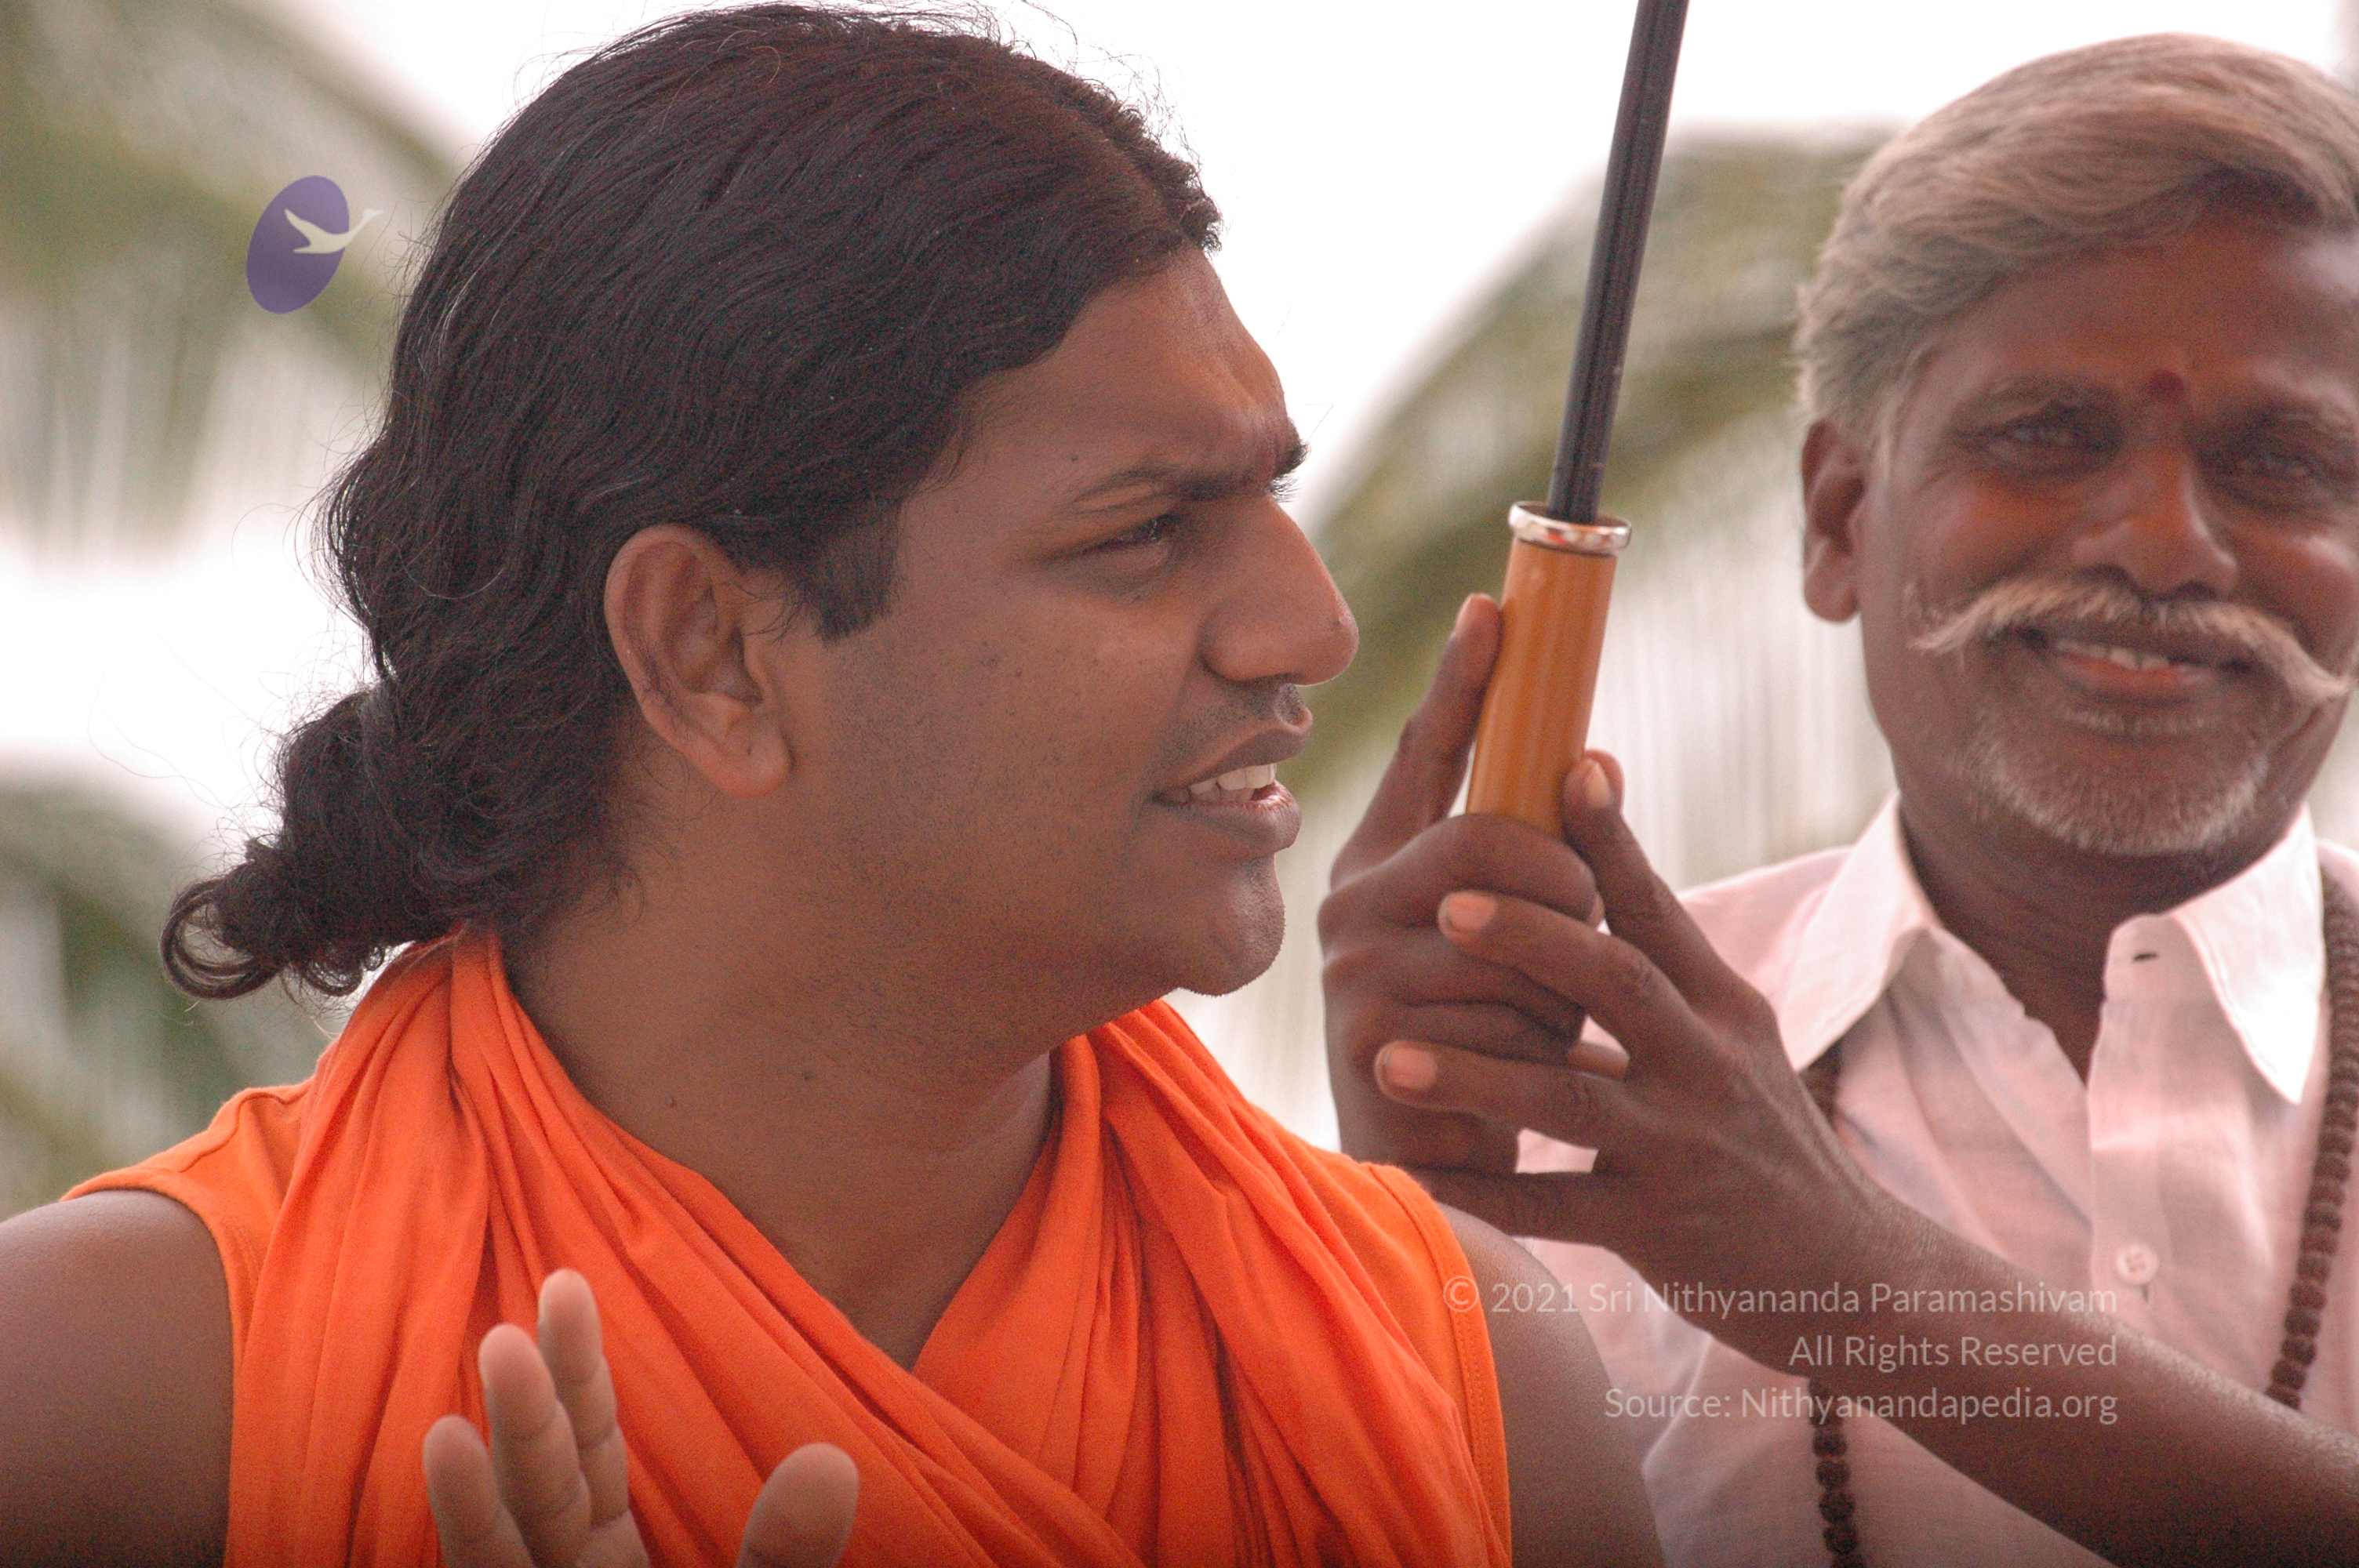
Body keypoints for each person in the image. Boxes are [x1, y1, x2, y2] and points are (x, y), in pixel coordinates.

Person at [0, 7, 1664, 1566]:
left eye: (1268, 503)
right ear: (711, 651)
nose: (1313, 627)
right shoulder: (115, 1397)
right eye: (1149, 531)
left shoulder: (1466, 1385)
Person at [1322, 31, 2359, 1568]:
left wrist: (1832, 1265)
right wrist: (1398, 1271)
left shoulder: (1651, 1126)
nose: (2161, 545)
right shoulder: (1547, 1094)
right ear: (1837, 518)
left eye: (2281, 461)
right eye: (2049, 437)